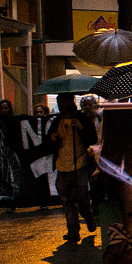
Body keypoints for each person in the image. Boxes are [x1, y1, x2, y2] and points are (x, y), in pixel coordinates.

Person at [47, 93, 98, 243]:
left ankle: (88, 217)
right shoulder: (57, 121)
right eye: (59, 102)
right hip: (62, 166)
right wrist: (52, 138)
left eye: (63, 101)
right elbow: (48, 142)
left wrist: (82, 129)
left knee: (82, 198)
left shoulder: (81, 119)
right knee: (67, 201)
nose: (61, 104)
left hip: (79, 165)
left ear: (71, 102)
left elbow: (92, 139)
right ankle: (73, 231)